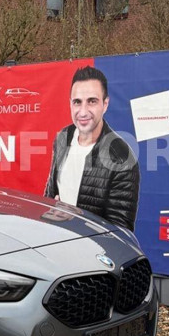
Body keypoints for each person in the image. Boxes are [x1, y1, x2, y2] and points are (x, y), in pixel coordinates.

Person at [44, 66, 140, 231]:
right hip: (56, 240)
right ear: (70, 104)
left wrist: (75, 219)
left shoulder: (122, 159)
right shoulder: (62, 137)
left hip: (90, 250)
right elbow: (49, 196)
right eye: (77, 102)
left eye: (92, 101)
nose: (83, 112)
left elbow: (120, 234)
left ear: (105, 104)